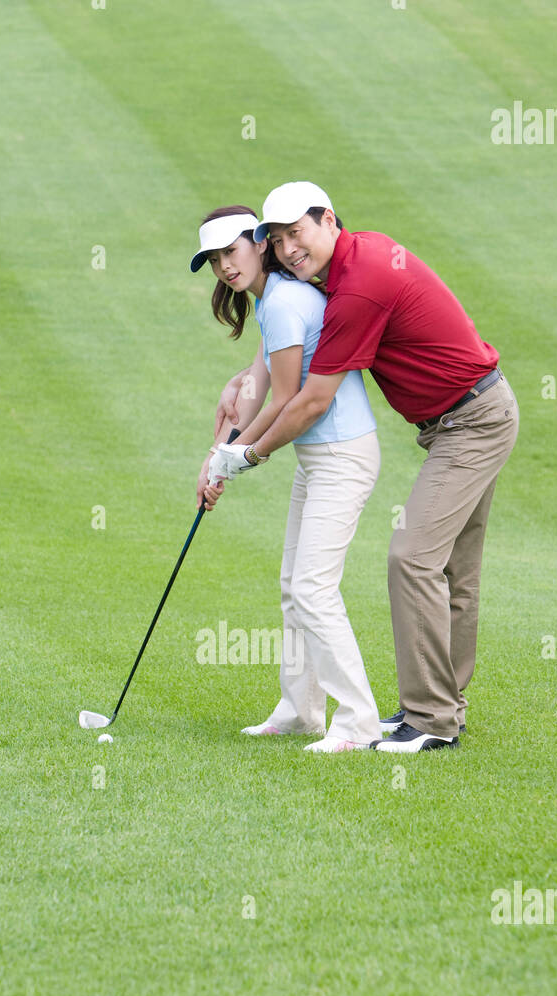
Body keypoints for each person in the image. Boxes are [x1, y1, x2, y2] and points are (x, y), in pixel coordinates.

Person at [211, 182, 519, 753]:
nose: (287, 250)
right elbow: (282, 343)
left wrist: (246, 455)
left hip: (474, 420)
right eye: (276, 240)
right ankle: (437, 708)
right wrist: (244, 381)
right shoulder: (342, 267)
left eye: (295, 233)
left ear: (328, 219)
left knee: (413, 558)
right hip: (457, 420)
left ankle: (431, 722)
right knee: (453, 569)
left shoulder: (360, 284)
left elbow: (310, 401)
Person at [190, 204, 382, 752]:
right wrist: (220, 450)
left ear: (259, 243)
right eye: (214, 259)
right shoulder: (273, 300)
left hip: (341, 455)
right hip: (320, 458)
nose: (225, 266)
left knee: (313, 590)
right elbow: (257, 384)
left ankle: (357, 722)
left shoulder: (284, 302)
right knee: (294, 589)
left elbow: (287, 399)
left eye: (233, 251)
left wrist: (239, 457)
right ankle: (300, 711)